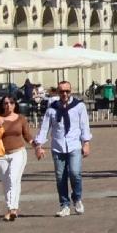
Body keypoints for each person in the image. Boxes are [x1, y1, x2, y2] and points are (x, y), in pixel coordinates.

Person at [35, 80, 93, 217]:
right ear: (58, 92)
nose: (64, 94)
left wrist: (86, 143)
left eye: (67, 91)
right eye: (61, 91)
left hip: (74, 145)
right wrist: (39, 145)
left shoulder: (79, 106)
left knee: (75, 173)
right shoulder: (52, 108)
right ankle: (64, 205)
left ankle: (77, 198)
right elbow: (44, 128)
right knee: (60, 177)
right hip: (58, 146)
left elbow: (84, 125)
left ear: (71, 91)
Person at [0, 96, 35, 220]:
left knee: (13, 179)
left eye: (11, 102)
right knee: (7, 182)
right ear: (2, 105)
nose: (8, 105)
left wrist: (37, 147)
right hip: (0, 155)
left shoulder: (21, 118)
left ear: (15, 104)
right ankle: (13, 209)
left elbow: (27, 135)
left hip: (18, 153)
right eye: (6, 103)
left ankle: (11, 209)